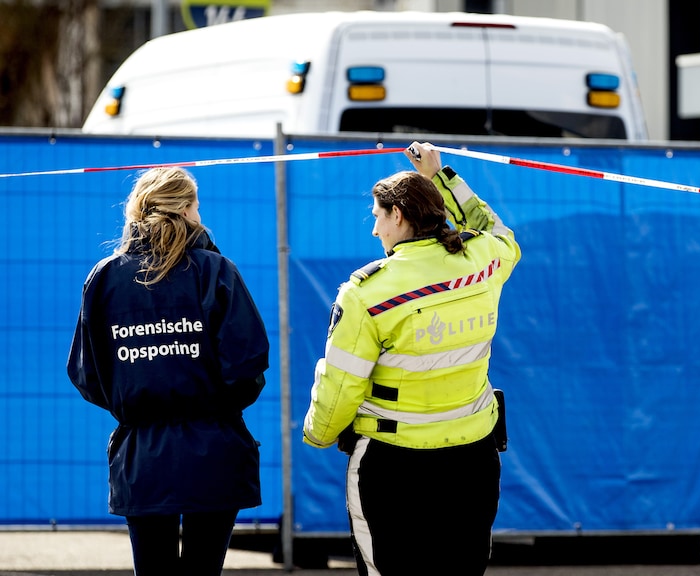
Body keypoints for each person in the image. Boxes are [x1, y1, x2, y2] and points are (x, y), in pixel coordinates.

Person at [303, 141, 521, 576]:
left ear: (397, 216)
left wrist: (318, 434)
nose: (374, 231)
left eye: (377, 218)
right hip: (473, 461)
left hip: (393, 468)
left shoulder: (367, 293)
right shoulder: (485, 259)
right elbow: (494, 228)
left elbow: (341, 384)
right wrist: (440, 176)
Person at [67, 167, 270, 576]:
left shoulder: (105, 277)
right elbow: (247, 363)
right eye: (196, 205)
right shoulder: (216, 270)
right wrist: (214, 406)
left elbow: (87, 374)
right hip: (215, 447)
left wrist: (136, 402)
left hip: (141, 454)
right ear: (189, 210)